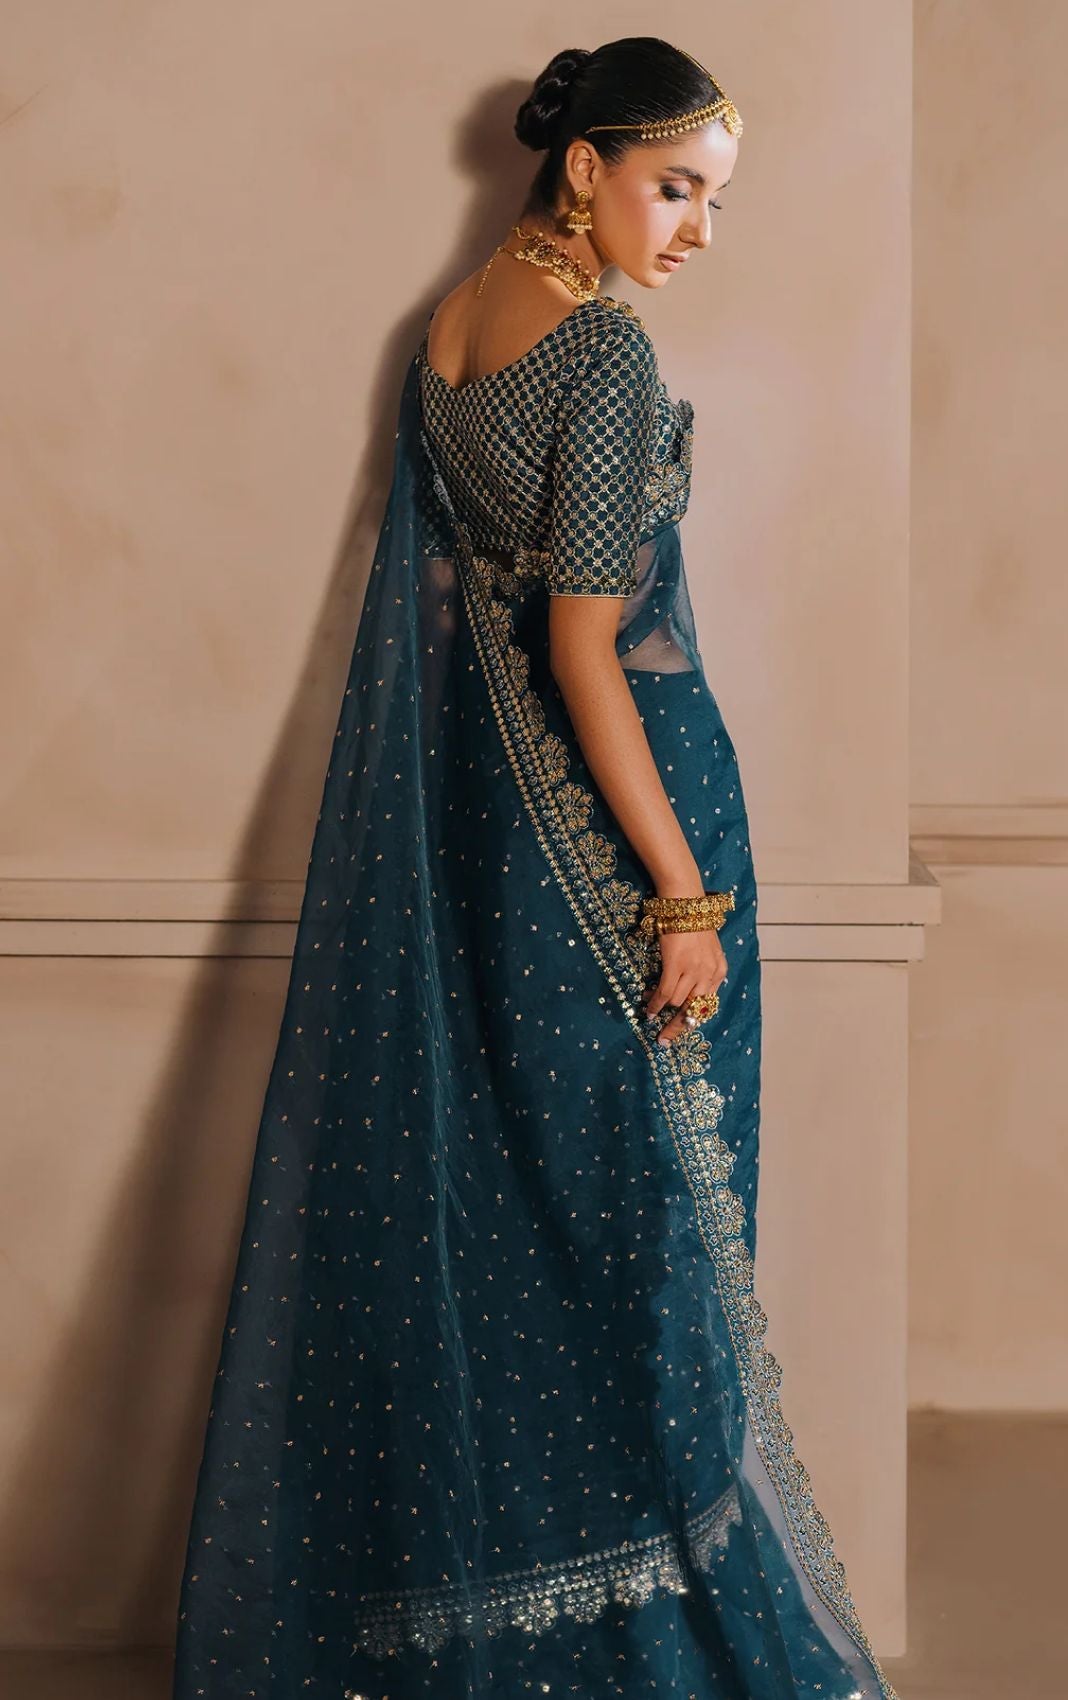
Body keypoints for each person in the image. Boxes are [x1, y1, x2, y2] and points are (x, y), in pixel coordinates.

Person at [170, 35, 901, 1700]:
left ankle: (524, 1626)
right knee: (642, 1239)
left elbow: (467, 615)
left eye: (714, 200)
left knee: (528, 1226)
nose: (696, 229)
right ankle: (649, 1635)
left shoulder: (447, 330)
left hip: (500, 837)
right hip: (621, 842)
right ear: (586, 167)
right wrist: (683, 895)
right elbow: (583, 649)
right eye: (675, 187)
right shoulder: (602, 353)